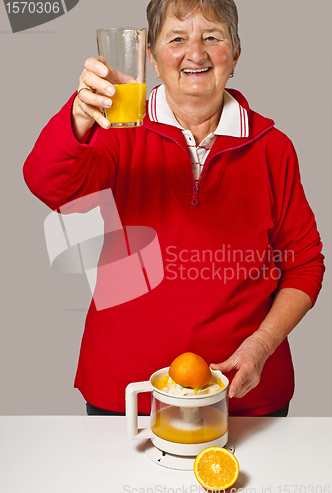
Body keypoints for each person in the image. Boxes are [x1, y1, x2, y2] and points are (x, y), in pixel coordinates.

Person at [23, 0, 324, 417]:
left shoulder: (273, 149)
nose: (195, 53)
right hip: (126, 394)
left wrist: (261, 345)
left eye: (212, 37)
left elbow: (305, 264)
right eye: (177, 38)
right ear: (151, 56)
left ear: (235, 54)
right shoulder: (116, 132)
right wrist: (78, 115)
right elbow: (48, 185)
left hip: (243, 397)